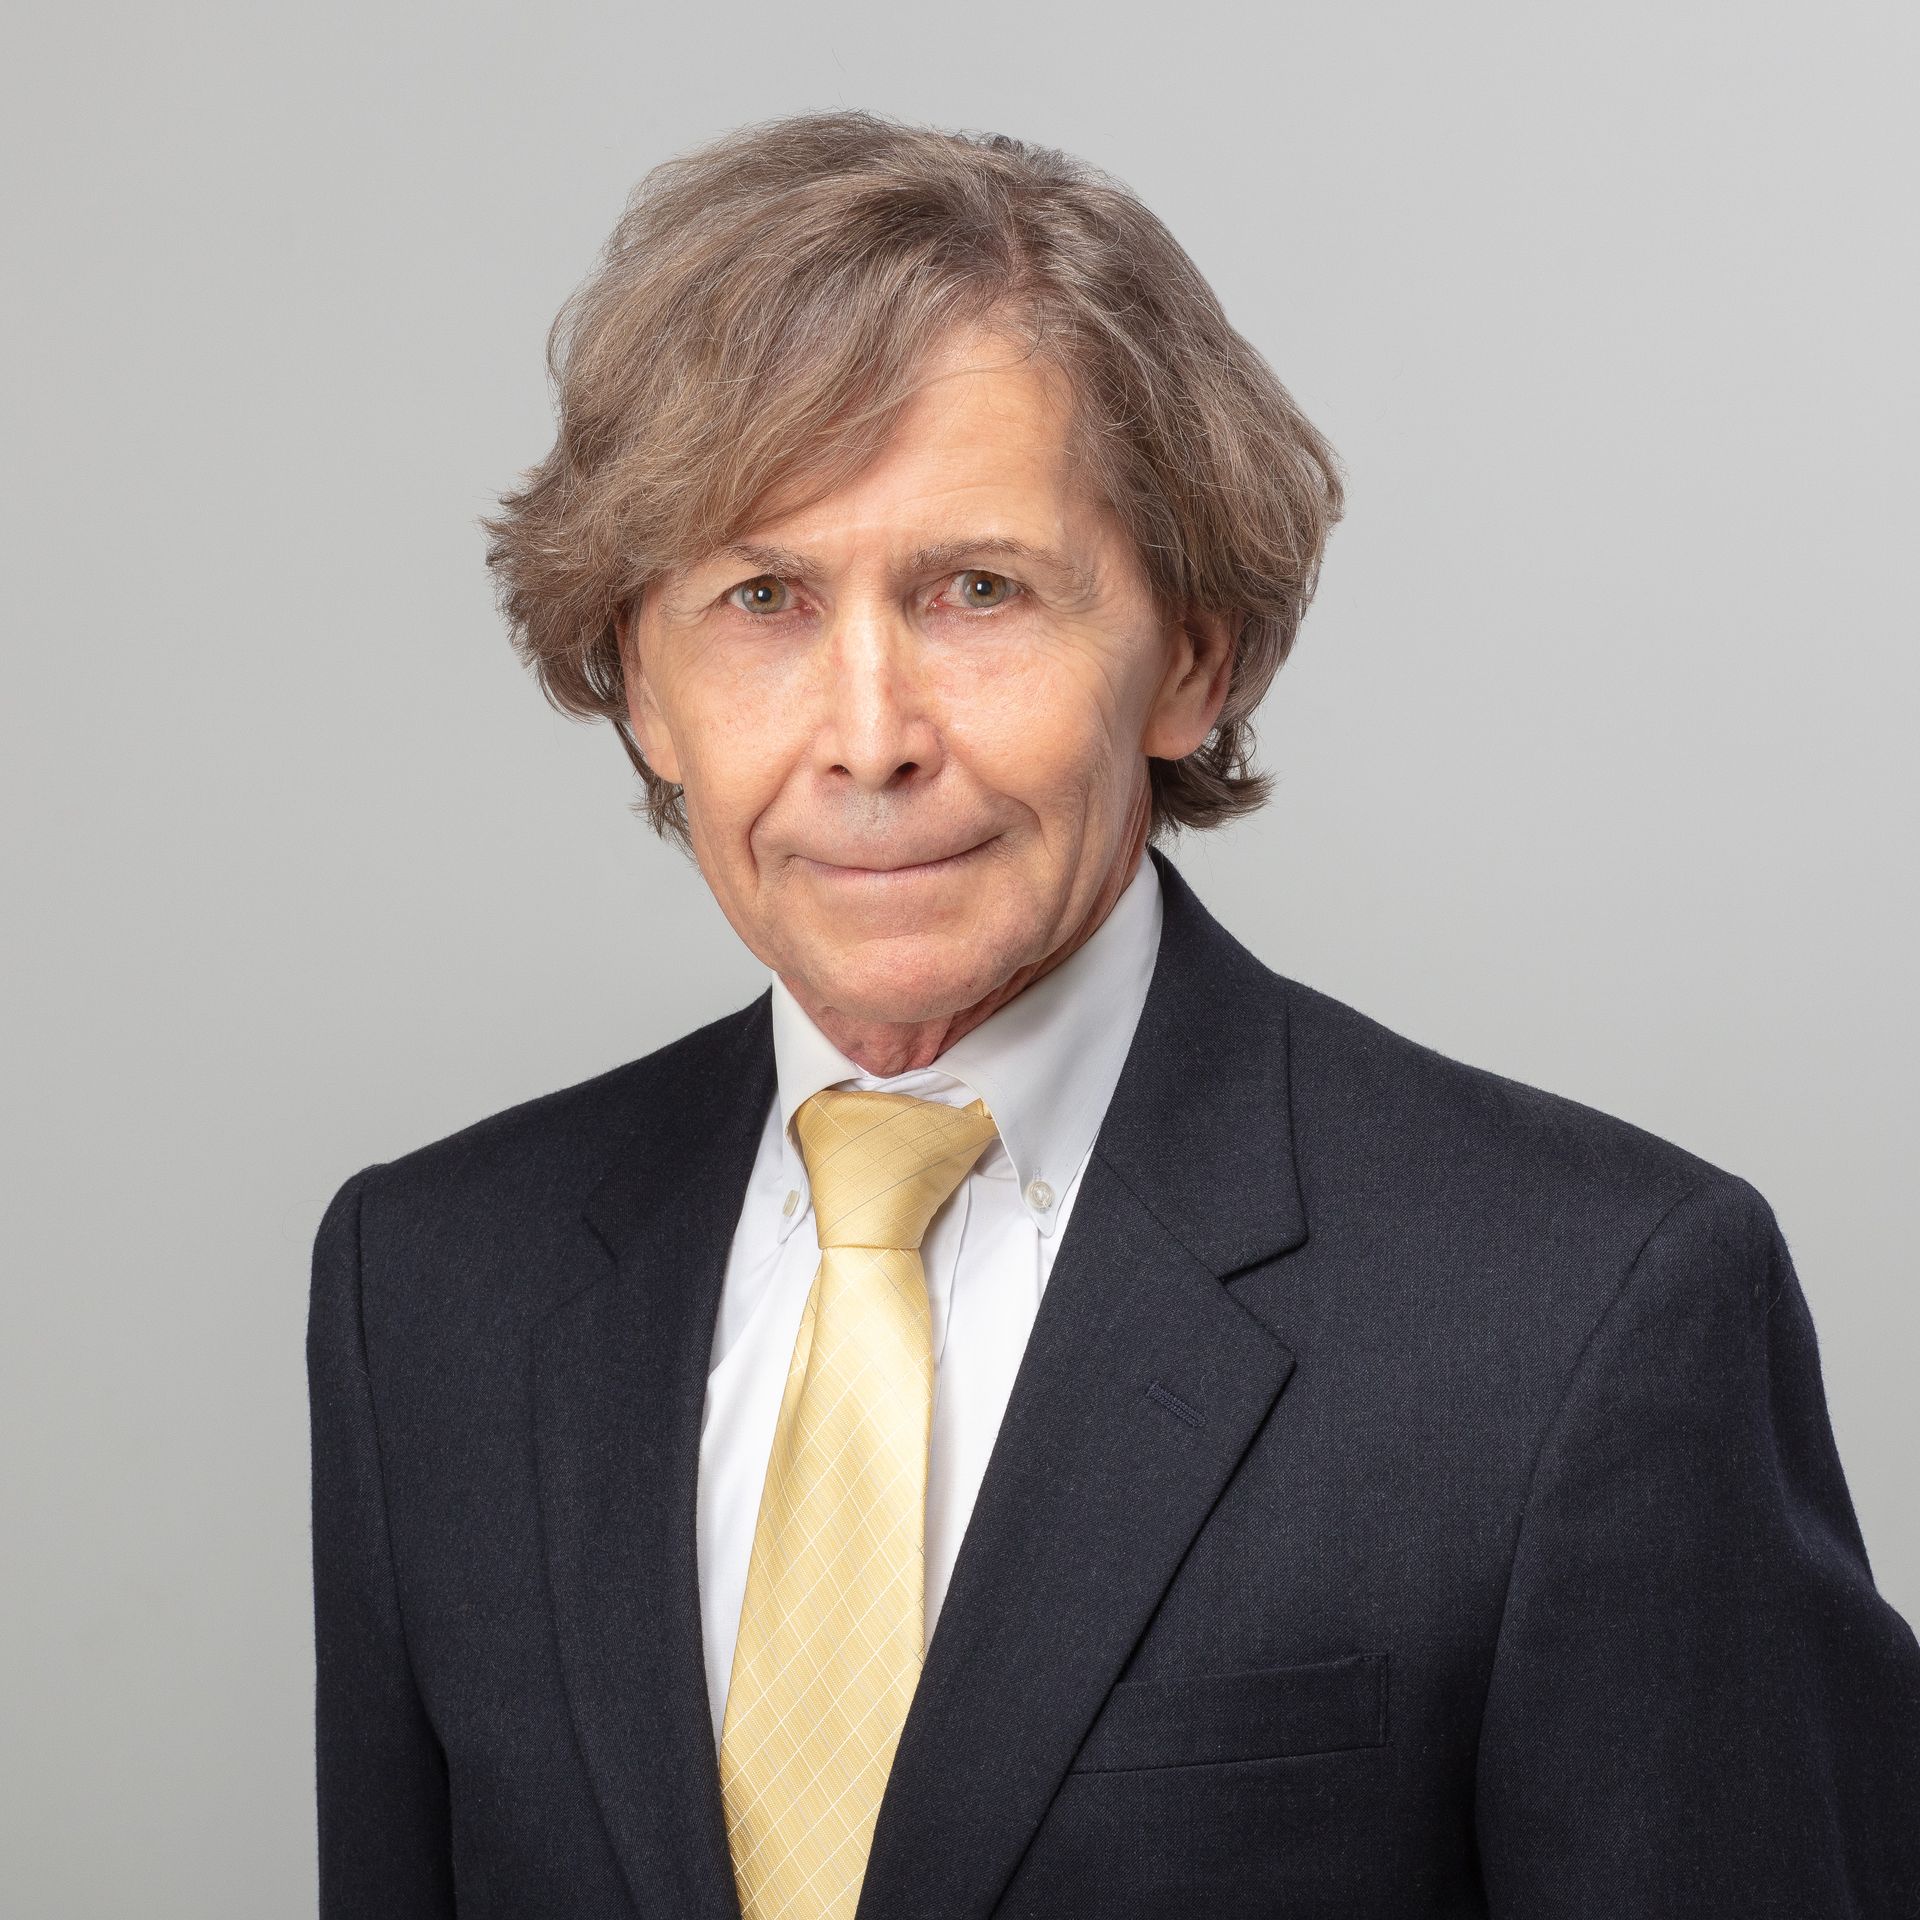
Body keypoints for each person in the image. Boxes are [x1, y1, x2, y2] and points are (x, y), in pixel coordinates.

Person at [306, 109, 1920, 1920]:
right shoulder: (429, 1287)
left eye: (976, 591)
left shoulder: (1592, 1313)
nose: (868, 737)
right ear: (641, 689)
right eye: (761, 599)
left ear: (1194, 657)